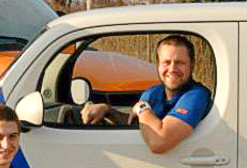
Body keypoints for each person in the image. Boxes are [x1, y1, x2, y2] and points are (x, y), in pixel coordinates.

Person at [80, 34, 211, 153]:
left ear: (192, 65)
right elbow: (139, 124)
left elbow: (159, 142)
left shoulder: (197, 95)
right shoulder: (153, 92)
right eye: (166, 62)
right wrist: (107, 110)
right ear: (158, 65)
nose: (172, 69)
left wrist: (141, 107)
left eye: (179, 63)